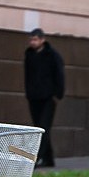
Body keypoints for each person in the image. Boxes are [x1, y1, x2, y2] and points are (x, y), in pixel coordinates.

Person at [24, 28, 65, 167]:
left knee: (43, 127)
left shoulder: (52, 55)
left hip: (48, 97)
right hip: (34, 97)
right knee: (39, 127)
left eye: (35, 39)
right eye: (31, 39)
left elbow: (59, 75)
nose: (32, 42)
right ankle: (49, 159)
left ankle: (38, 158)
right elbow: (28, 76)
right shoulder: (29, 55)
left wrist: (57, 94)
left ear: (42, 40)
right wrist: (28, 93)